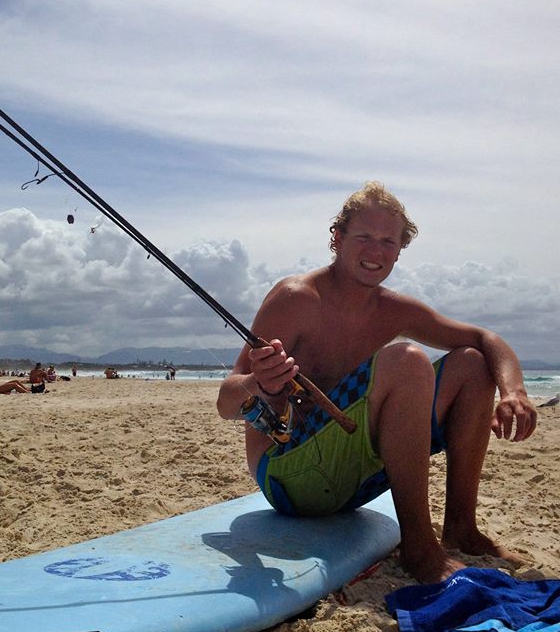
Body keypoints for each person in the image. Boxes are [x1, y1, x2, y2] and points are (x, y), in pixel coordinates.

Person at [217, 181, 537, 584]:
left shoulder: (393, 309)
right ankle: (420, 548)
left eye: (389, 241)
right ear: (337, 238)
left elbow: (485, 340)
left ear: (401, 249)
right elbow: (226, 402)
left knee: (472, 364)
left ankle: (461, 527)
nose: (376, 252)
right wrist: (258, 383)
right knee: (406, 360)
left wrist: (514, 392)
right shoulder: (296, 298)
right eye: (364, 237)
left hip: (353, 475)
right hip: (288, 477)